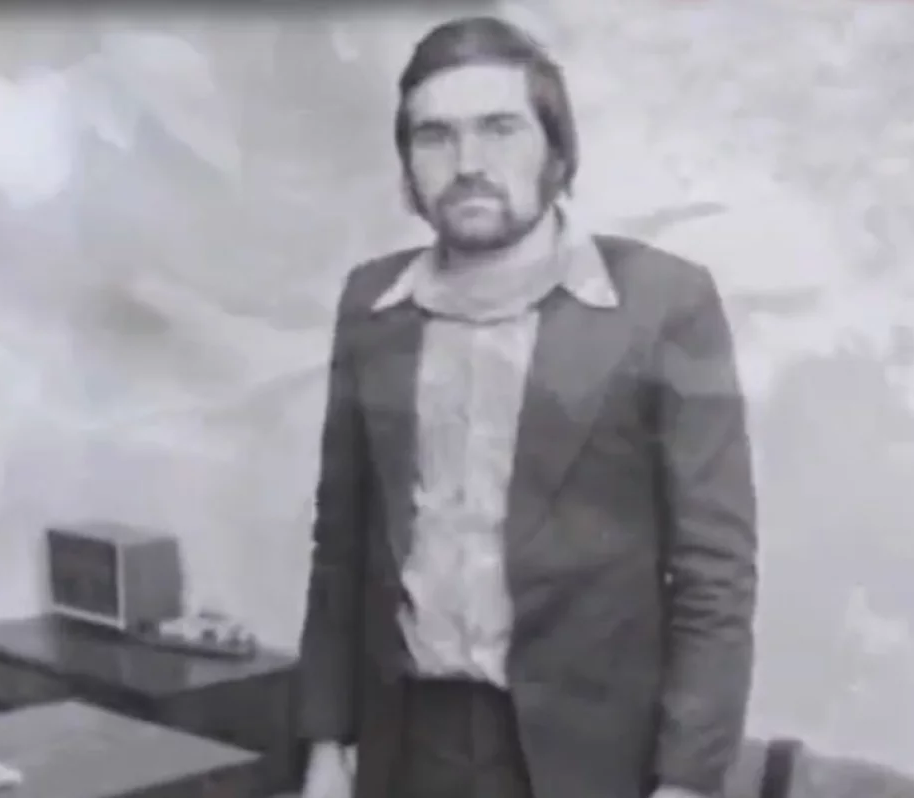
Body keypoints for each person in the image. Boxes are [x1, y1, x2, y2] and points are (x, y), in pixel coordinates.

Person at [298, 15, 758, 798]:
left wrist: (685, 784)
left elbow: (716, 575)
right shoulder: (372, 303)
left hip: (590, 761)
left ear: (557, 149)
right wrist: (324, 746)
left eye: (500, 129)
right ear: (407, 168)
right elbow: (340, 545)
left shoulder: (663, 305)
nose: (468, 164)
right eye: (435, 136)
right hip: (408, 747)